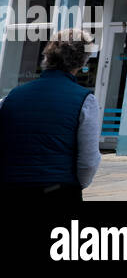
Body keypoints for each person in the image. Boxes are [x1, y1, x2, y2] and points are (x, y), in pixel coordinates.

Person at [0, 29, 102, 201]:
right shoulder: (85, 101)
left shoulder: (12, 97)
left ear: (47, 57)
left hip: (11, 187)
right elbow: (89, 161)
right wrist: (75, 185)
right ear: (82, 62)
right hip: (57, 189)